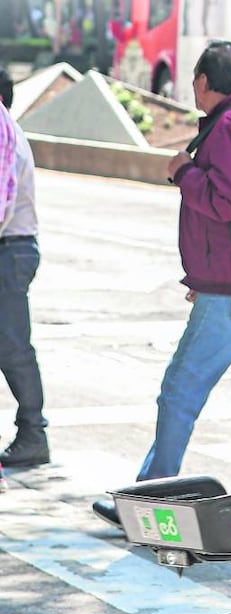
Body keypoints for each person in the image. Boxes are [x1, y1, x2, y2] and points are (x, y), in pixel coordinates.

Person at [92, 41, 231, 524]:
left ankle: (151, 495)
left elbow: (229, 202)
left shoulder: (229, 126)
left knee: (180, 389)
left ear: (205, 83)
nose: (193, 88)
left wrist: (184, 171)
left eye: (195, 80)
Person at [0, 69, 51, 474]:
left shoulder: (0, 129)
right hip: (12, 248)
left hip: (9, 250)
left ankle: (34, 434)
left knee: (13, 348)